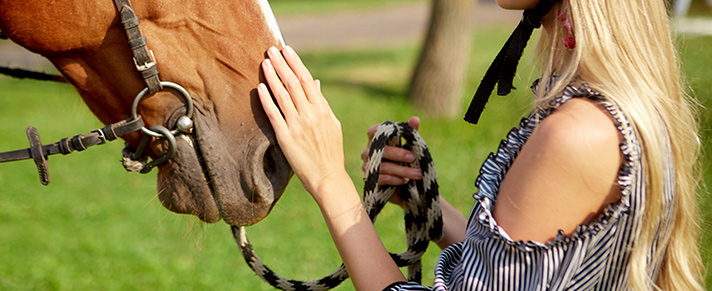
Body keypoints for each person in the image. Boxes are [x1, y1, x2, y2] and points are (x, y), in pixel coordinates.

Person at [256, 0, 705, 290]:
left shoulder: (577, 134)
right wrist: (430, 205)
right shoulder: (609, 113)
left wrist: (330, 181)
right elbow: (527, 273)